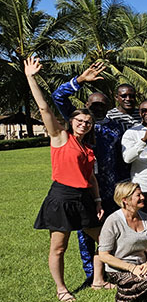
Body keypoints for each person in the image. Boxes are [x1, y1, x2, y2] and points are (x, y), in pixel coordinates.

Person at [26, 57, 109, 302]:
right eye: (79, 121)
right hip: (62, 196)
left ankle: (98, 280)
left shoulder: (88, 149)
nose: (84, 124)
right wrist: (31, 77)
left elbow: (91, 178)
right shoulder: (60, 137)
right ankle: (61, 289)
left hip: (84, 198)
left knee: (104, 239)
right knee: (59, 247)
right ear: (71, 122)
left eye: (88, 122)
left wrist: (97, 201)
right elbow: (44, 108)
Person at [51, 60, 127, 284]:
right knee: (85, 235)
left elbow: (122, 159)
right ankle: (91, 275)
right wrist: (79, 80)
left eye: (102, 106)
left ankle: (110, 272)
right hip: (84, 188)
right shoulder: (80, 124)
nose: (97, 110)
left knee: (109, 232)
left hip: (110, 189)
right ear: (86, 106)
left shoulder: (116, 126)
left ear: (108, 106)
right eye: (93, 106)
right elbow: (57, 97)